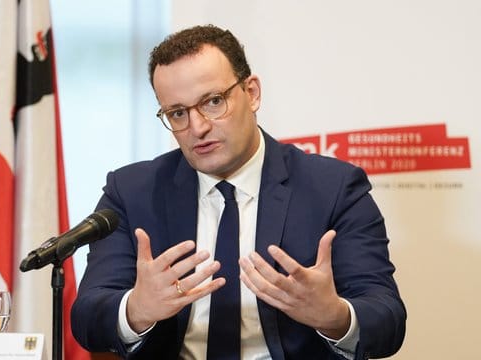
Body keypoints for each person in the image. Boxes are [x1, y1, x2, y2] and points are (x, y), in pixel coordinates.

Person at [71, 25, 406, 359]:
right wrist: (135, 310)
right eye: (178, 113)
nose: (198, 127)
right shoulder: (132, 191)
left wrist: (335, 316)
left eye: (213, 102)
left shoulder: (334, 188)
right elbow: (87, 316)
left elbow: (387, 318)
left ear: (252, 93)